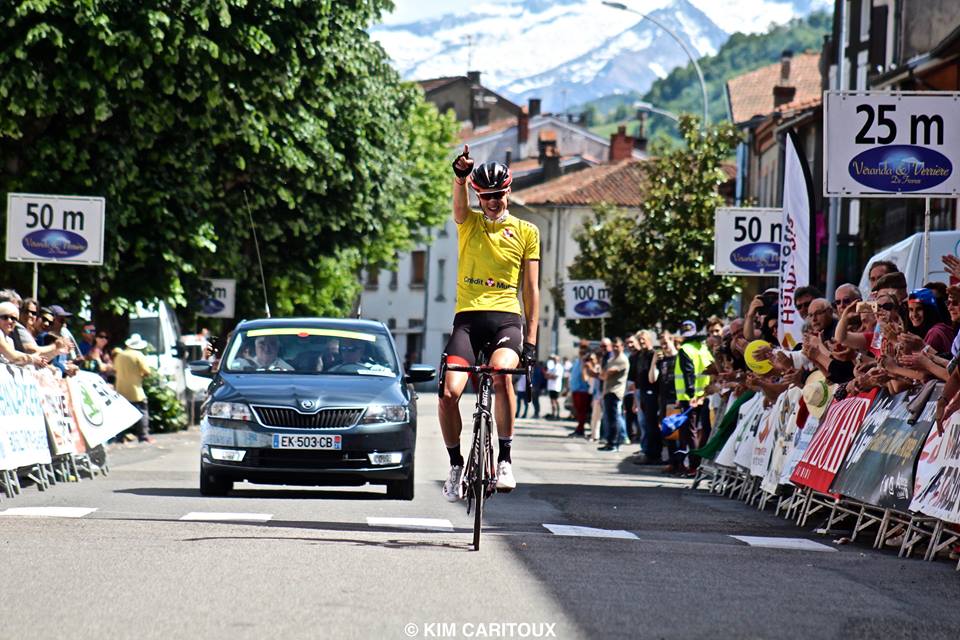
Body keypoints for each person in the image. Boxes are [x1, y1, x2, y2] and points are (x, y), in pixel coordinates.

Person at [439, 147, 540, 500]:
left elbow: (531, 291)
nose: (492, 202)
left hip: (506, 321)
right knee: (449, 392)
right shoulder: (470, 224)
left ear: (508, 192)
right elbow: (457, 205)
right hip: (467, 320)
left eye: (497, 195)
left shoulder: (527, 231)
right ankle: (455, 466)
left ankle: (505, 459)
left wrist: (531, 341)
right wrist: (459, 178)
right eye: (485, 197)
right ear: (477, 196)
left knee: (500, 374)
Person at [114, 334, 155, 444]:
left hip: (120, 390)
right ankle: (143, 436)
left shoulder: (120, 355)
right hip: (136, 391)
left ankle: (120, 437)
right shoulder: (138, 355)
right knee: (142, 413)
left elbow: (115, 370)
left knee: (121, 415)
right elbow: (147, 371)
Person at [598, 337, 629, 452]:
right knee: (609, 419)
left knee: (614, 419)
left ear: (622, 347)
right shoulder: (611, 359)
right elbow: (602, 375)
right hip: (607, 392)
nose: (615, 348)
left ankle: (615, 443)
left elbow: (605, 375)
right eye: (614, 346)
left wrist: (604, 373)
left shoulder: (622, 360)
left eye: (618, 346)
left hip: (615, 393)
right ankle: (609, 442)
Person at [568, 341, 592, 437]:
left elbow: (585, 377)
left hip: (582, 390)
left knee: (582, 411)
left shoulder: (586, 361)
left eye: (584, 348)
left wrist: (584, 362)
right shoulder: (577, 360)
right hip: (575, 389)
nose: (582, 350)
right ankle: (579, 428)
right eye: (581, 347)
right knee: (577, 411)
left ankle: (580, 429)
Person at [544, 354, 563, 419]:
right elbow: (546, 376)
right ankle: (553, 414)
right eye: (553, 359)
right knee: (552, 401)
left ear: (558, 360)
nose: (554, 360)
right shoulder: (552, 367)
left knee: (556, 400)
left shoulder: (559, 367)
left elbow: (555, 377)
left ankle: (558, 414)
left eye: (555, 359)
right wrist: (550, 376)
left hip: (556, 387)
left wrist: (550, 376)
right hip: (551, 386)